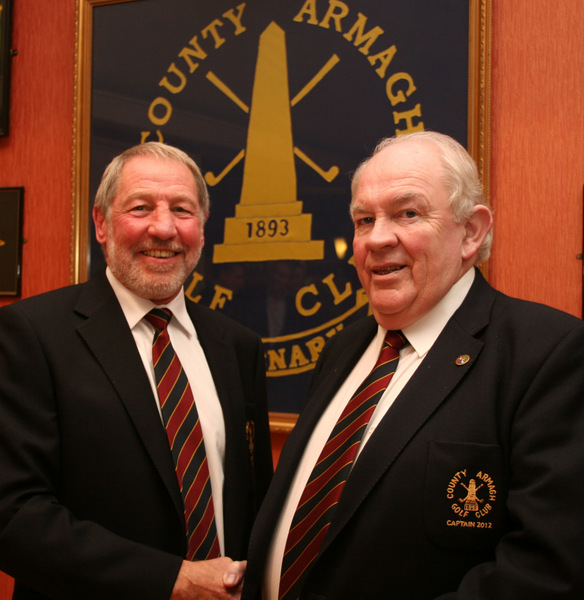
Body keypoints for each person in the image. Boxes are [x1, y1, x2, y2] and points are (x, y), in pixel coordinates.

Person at [241, 131, 584, 600]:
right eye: (365, 220)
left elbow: (545, 573)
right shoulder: (343, 350)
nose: (378, 238)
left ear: (471, 232)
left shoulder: (548, 353)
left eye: (408, 213)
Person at [0, 142, 273, 599]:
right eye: (140, 207)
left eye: (183, 211)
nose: (164, 228)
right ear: (102, 224)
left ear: (202, 230)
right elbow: (13, 515)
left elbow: (256, 501)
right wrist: (174, 581)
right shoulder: (31, 335)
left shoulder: (238, 347)